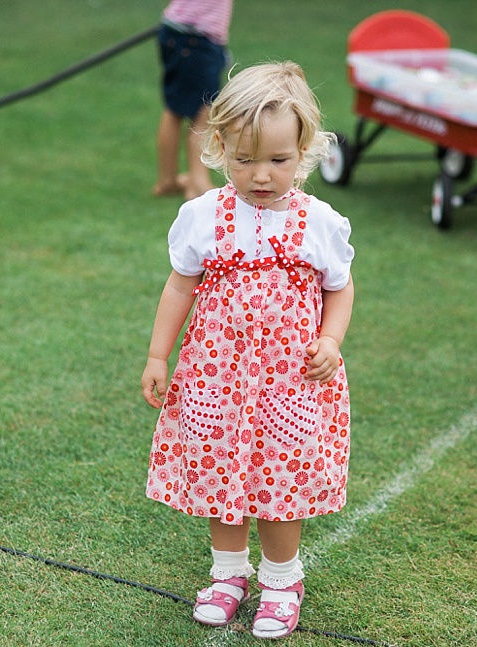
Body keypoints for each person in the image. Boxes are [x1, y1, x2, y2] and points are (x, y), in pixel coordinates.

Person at [141, 61, 355, 639]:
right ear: (220, 146)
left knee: (280, 478)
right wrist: (159, 355)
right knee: (217, 468)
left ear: (305, 149)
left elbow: (339, 287)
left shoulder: (319, 224)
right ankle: (228, 573)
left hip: (290, 380)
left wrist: (330, 339)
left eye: (278, 161)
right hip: (215, 376)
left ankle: (282, 581)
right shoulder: (204, 215)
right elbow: (179, 285)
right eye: (244, 159)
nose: (261, 175)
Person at [153, 0, 233, 200]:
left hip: (182, 33)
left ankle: (167, 180)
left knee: (174, 109)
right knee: (204, 112)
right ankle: (198, 184)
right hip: (195, 37)